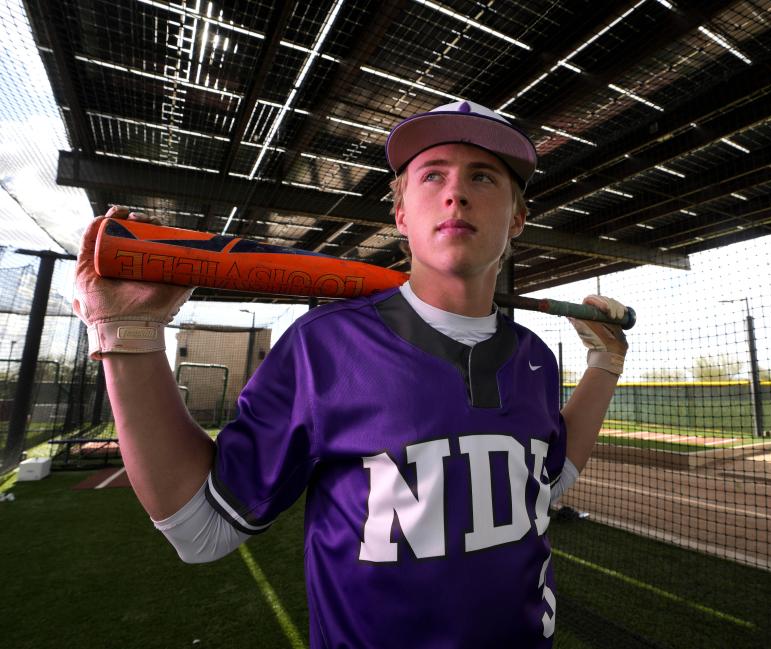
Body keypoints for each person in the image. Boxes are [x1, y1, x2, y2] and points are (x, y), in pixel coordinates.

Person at [73, 100, 629, 648]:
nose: (455, 192)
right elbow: (201, 529)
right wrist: (130, 337)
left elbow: (549, 478)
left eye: (483, 177)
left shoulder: (533, 355)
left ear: (518, 218)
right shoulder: (325, 345)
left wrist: (605, 365)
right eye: (432, 175)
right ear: (402, 215)